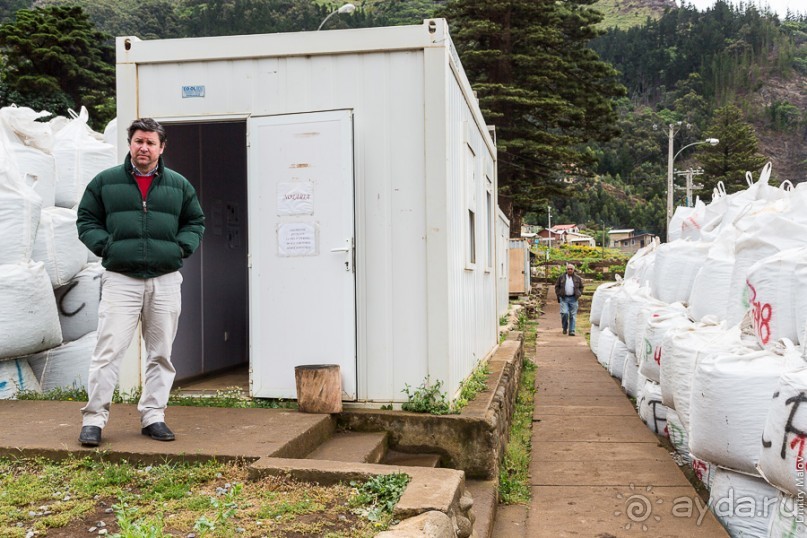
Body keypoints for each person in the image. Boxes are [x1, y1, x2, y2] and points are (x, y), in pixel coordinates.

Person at [76, 118, 205, 447]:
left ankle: (153, 416)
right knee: (108, 351)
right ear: (130, 145)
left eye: (150, 142)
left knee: (161, 354)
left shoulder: (178, 185)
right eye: (138, 141)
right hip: (121, 279)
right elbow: (86, 219)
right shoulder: (105, 183)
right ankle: (94, 420)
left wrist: (180, 248)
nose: (143, 147)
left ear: (162, 147)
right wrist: (107, 247)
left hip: (164, 279)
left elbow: (195, 221)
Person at [554, 263, 583, 336]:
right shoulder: (561, 277)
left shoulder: (578, 278)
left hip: (574, 298)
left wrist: (579, 293)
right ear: (566, 270)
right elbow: (557, 286)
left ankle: (572, 330)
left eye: (571, 269)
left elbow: (581, 287)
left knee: (573, 315)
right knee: (565, 313)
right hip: (564, 298)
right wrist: (559, 294)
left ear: (574, 270)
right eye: (568, 269)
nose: (570, 270)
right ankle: (564, 327)